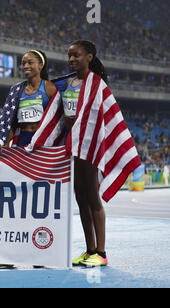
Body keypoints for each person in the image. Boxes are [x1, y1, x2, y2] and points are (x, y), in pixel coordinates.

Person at [26, 40, 141, 267]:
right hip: (73, 146)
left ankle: (102, 252)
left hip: (87, 146)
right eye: (69, 56)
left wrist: (79, 140)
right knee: (80, 198)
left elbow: (97, 117)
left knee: (92, 197)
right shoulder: (68, 83)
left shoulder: (97, 84)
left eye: (76, 55)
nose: (71, 60)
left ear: (89, 57)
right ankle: (90, 250)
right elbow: (57, 115)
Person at [0, 50, 58, 269]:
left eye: (30, 62)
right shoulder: (16, 90)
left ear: (41, 64)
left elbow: (58, 121)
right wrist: (0, 143)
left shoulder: (50, 89)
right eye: (23, 62)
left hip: (43, 146)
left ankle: (41, 252)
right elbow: (7, 121)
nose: (25, 65)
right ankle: (7, 255)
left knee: (40, 201)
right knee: (14, 199)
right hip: (20, 144)